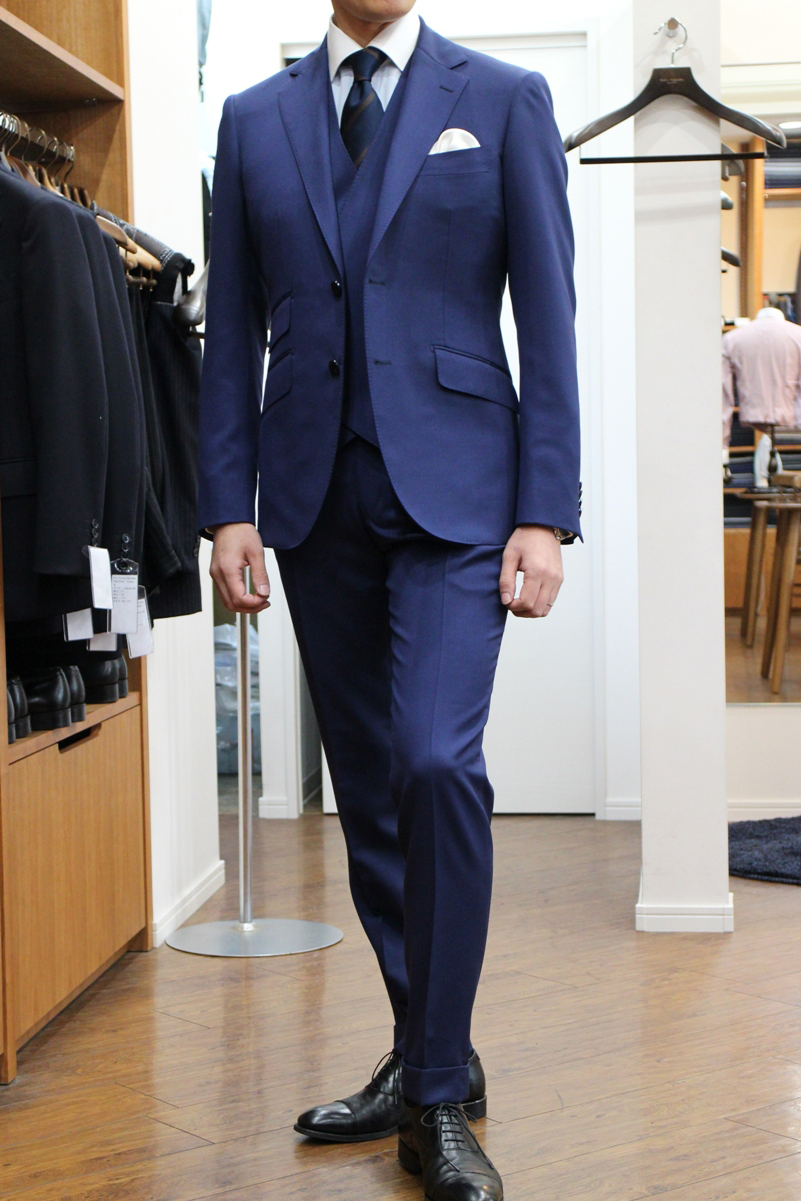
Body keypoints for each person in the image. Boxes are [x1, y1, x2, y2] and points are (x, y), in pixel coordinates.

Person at [198, 1, 581, 1196]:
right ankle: (431, 1060)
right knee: (369, 794)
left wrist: (546, 509)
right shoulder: (253, 120)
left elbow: (548, 315)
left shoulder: (503, 100)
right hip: (313, 502)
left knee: (434, 762)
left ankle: (435, 1096)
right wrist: (225, 507)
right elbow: (229, 335)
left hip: (461, 498)